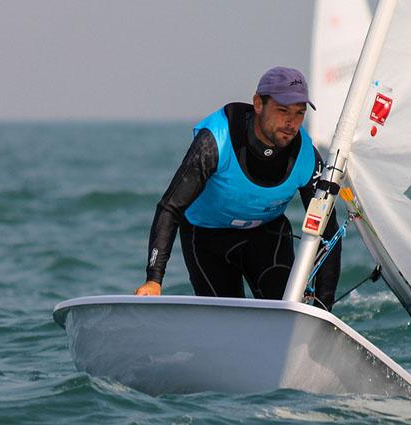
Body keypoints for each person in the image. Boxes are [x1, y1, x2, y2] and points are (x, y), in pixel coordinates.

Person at [134, 66, 341, 311]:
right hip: (206, 240)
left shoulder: (306, 156)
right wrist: (154, 279)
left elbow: (328, 232)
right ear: (258, 103)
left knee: (285, 310)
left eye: (299, 113)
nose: (291, 122)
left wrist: (324, 309)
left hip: (267, 237)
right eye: (283, 110)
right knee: (225, 319)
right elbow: (170, 208)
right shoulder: (216, 141)